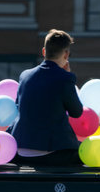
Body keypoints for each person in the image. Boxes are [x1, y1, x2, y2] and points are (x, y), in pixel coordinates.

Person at [10, 29, 84, 165]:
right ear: (66, 54)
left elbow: (18, 107)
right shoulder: (65, 78)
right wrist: (66, 75)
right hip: (52, 153)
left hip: (20, 151)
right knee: (88, 153)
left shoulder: (25, 75)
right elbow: (77, 112)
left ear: (44, 51)